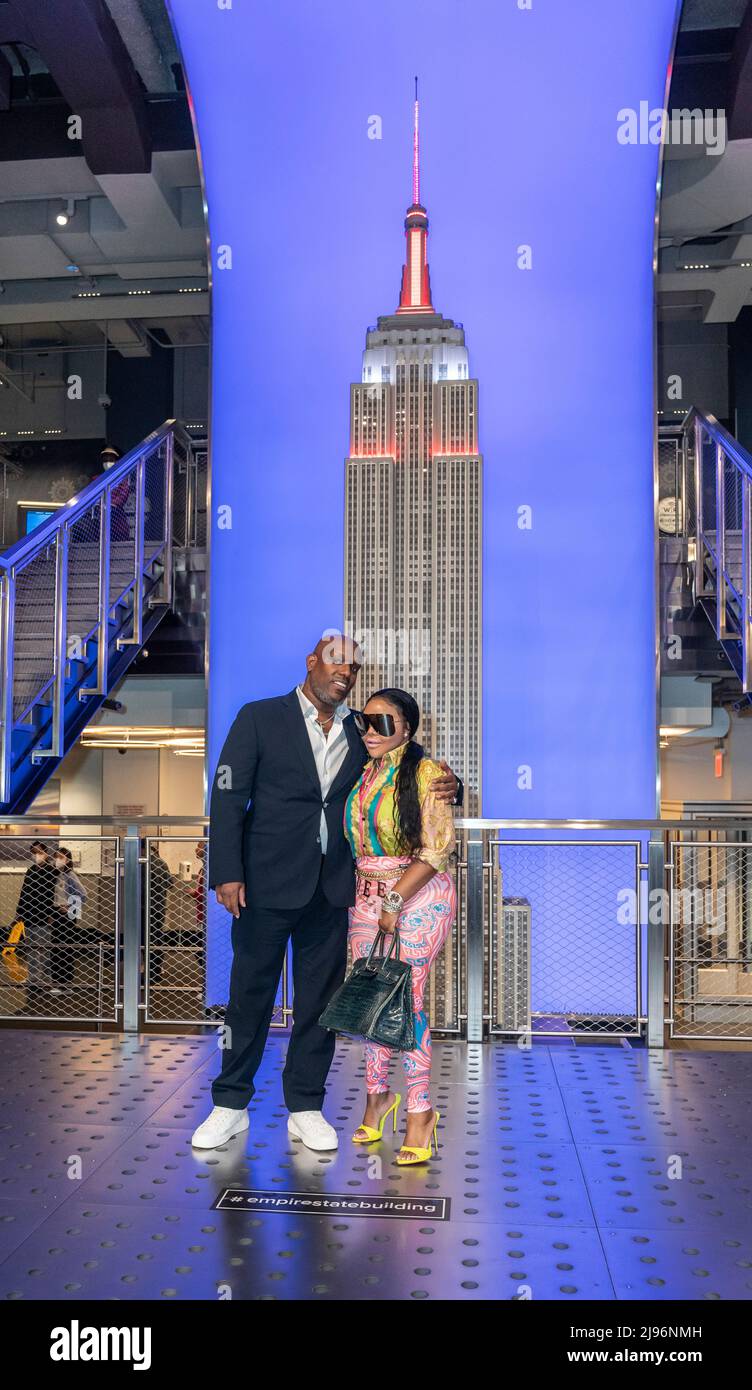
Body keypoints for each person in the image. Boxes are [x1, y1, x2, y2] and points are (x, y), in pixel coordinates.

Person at [190, 632, 463, 1152]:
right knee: (250, 996)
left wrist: (455, 785)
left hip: (335, 891)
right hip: (263, 883)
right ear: (312, 661)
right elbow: (227, 799)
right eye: (338, 662)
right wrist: (226, 872)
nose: (347, 674)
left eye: (355, 668)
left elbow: (407, 768)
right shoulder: (259, 717)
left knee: (319, 1003)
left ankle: (305, 1106)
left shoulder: (363, 732)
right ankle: (229, 1104)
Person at [345, 689, 457, 1165]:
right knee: (371, 996)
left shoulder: (428, 774)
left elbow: (434, 850)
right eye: (364, 721)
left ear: (407, 728)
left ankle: (419, 1111)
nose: (371, 731)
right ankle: (376, 1098)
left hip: (416, 896)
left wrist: (393, 899)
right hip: (365, 898)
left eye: (384, 723)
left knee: (406, 1000)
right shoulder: (364, 768)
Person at [15, 840, 56, 991]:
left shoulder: (51, 871)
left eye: (39, 852)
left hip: (44, 915)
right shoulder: (31, 871)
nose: (36, 856)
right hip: (29, 914)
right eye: (34, 853)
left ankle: (46, 978)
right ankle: (33, 978)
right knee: (31, 947)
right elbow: (24, 892)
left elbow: (53, 894)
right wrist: (19, 912)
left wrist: (52, 914)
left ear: (46, 853)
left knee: (44, 947)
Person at [49, 846, 87, 992]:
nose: (58, 860)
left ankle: (66, 983)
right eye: (56, 856)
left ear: (67, 859)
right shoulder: (55, 874)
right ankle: (57, 982)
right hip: (56, 913)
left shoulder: (70, 874)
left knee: (65, 948)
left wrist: (70, 907)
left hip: (66, 915)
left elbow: (83, 894)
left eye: (61, 857)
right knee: (56, 948)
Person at [147, 841, 174, 986]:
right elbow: (170, 883)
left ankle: (147, 969)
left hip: (143, 907)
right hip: (159, 906)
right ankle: (157, 969)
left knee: (145, 938)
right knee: (158, 936)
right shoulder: (162, 863)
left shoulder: (141, 863)